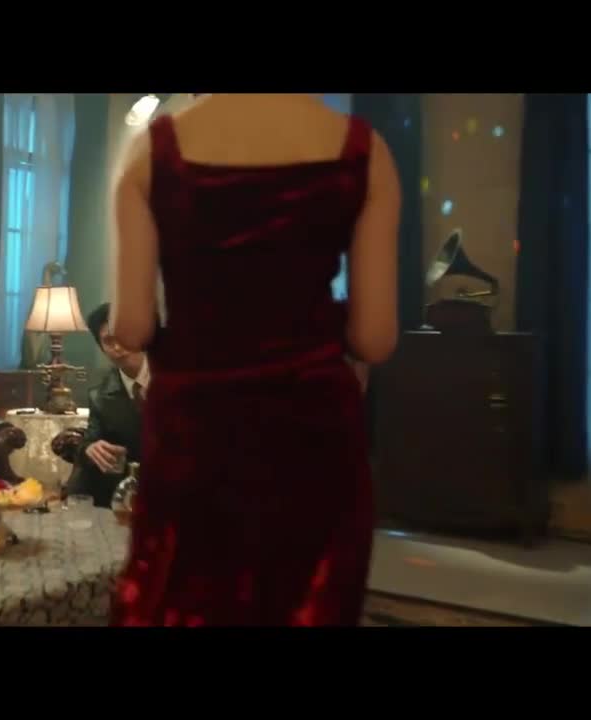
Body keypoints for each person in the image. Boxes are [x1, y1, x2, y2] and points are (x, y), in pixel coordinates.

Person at [108, 94, 401, 626]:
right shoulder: (364, 151)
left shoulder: (152, 152)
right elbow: (375, 338)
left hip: (196, 437)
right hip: (313, 440)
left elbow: (131, 327)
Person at [66, 302, 148, 507]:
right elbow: (90, 440)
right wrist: (90, 449)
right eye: (108, 341)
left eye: (123, 337)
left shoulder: (173, 377)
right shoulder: (100, 395)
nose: (118, 347)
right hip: (128, 494)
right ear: (102, 348)